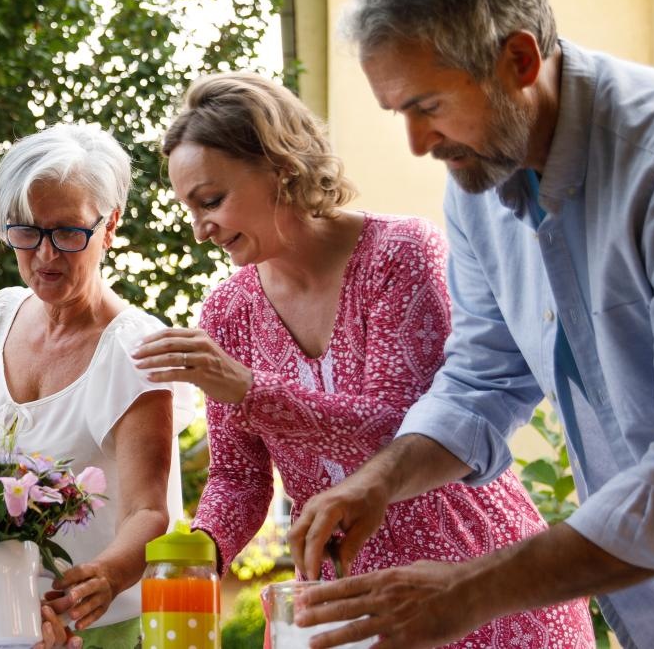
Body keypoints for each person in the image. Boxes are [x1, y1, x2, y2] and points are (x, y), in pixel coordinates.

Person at [285, 0, 654, 648]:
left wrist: (468, 592)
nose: (419, 144)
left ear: (519, 59)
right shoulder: (480, 181)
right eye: (400, 113)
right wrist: (378, 482)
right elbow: (483, 377)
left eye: (428, 108)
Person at [137, 71, 591, 646]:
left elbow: (400, 434)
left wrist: (249, 390)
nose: (201, 230)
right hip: (345, 612)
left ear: (281, 166)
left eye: (212, 201)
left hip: (475, 590)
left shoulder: (398, 255)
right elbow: (238, 476)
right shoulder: (228, 312)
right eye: (189, 208)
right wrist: (200, 553)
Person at [0, 124, 188, 649]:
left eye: (68, 232)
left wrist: (102, 579)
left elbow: (149, 511)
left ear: (110, 226)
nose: (46, 255)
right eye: (26, 231)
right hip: (0, 626)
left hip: (100, 632)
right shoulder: (0, 317)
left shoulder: (134, 349)